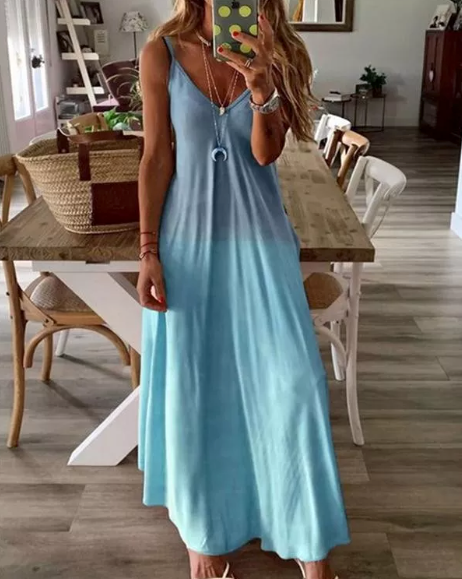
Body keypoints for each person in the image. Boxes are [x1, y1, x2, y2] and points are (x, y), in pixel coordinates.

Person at [137, 1, 350, 578]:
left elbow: (264, 153)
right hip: (187, 245)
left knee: (295, 385)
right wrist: (149, 251)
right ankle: (205, 540)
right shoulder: (161, 53)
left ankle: (309, 543)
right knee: (197, 388)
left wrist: (262, 88)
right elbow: (156, 157)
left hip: (262, 242)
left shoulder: (274, 52)